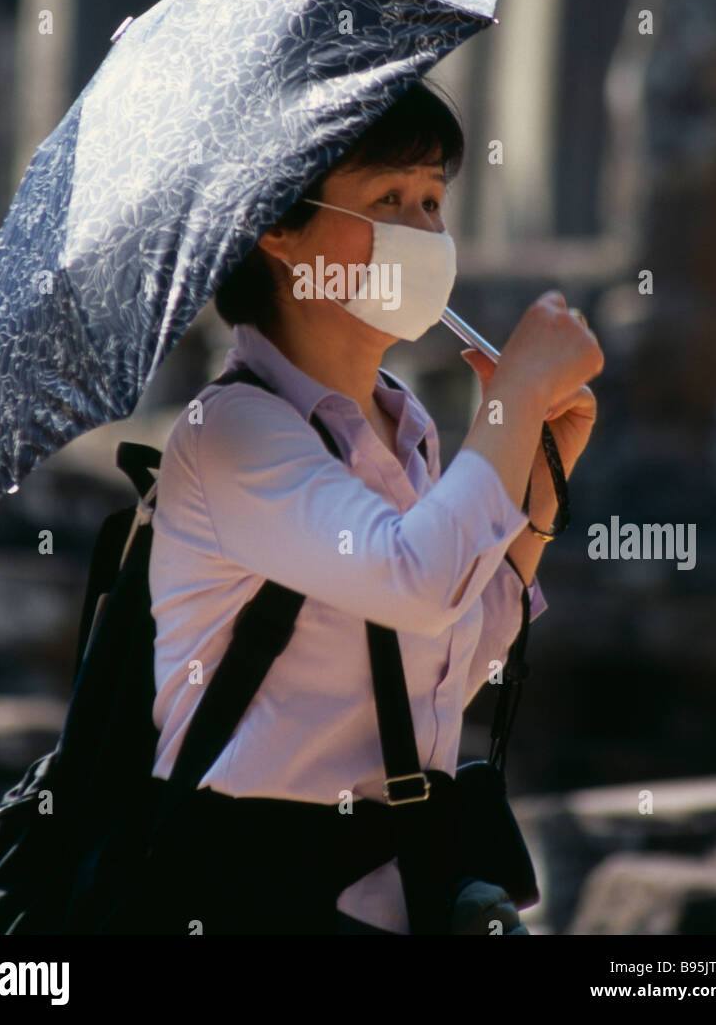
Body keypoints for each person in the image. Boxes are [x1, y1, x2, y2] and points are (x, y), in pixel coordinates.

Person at [147, 80, 603, 934]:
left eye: (432, 201)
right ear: (277, 230)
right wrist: (508, 406)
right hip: (253, 889)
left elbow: (432, 672)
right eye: (386, 199)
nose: (423, 232)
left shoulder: (406, 427)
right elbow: (415, 581)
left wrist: (537, 499)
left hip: (386, 886)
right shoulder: (231, 431)